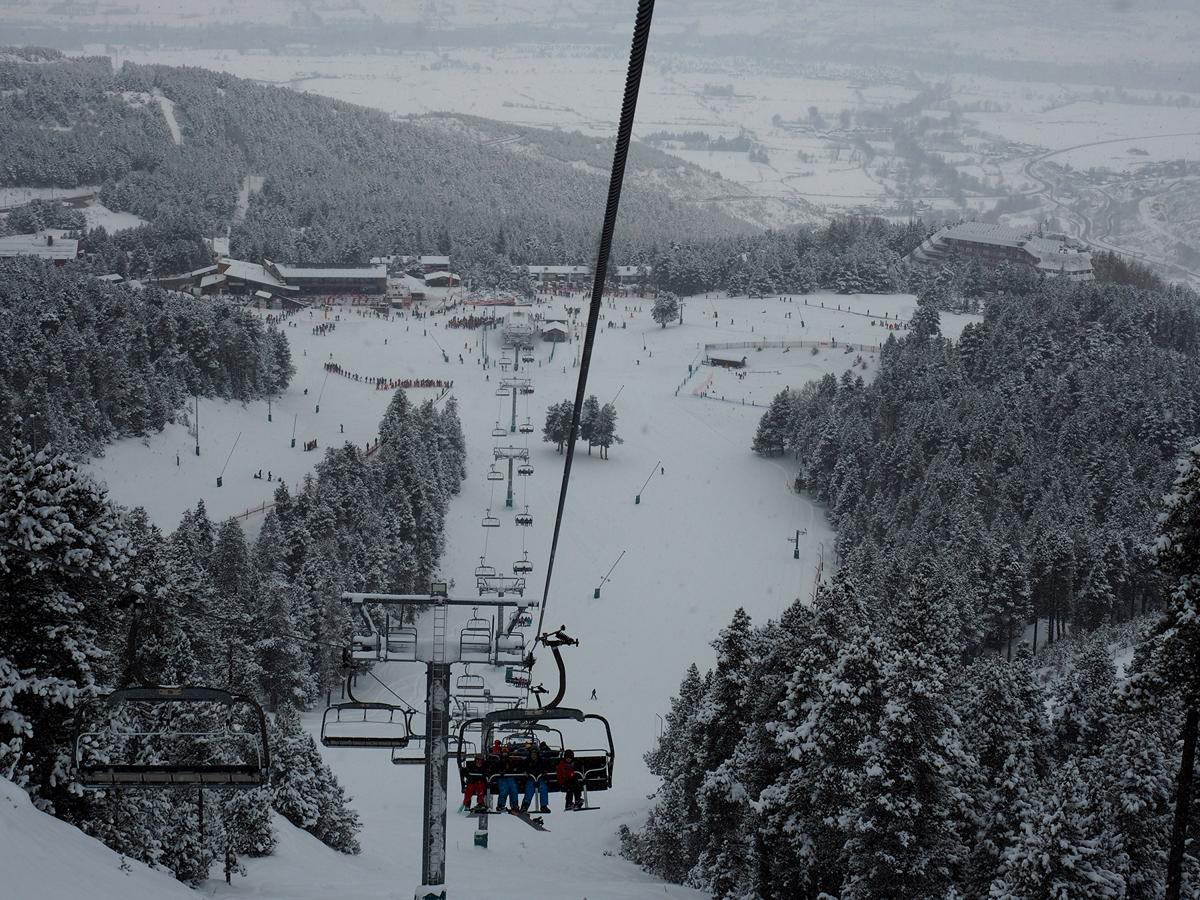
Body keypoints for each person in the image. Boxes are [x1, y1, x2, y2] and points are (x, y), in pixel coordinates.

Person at [520, 746, 551, 813]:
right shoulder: (527, 761)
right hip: (531, 778)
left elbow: (546, 767)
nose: (533, 756)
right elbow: (523, 768)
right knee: (529, 788)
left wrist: (545, 771)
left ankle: (544, 806)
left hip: (539, 778)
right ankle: (525, 806)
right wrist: (526, 772)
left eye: (535, 754)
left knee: (543, 788)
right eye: (532, 754)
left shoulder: (541, 761)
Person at [493, 746, 520, 813]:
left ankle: (514, 805)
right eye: (503, 753)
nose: (504, 755)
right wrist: (500, 771)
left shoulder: (510, 761)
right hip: (501, 778)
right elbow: (494, 768)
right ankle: (501, 805)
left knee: (513, 789)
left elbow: (514, 768)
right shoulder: (498, 761)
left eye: (506, 753)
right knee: (504, 789)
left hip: (510, 776)